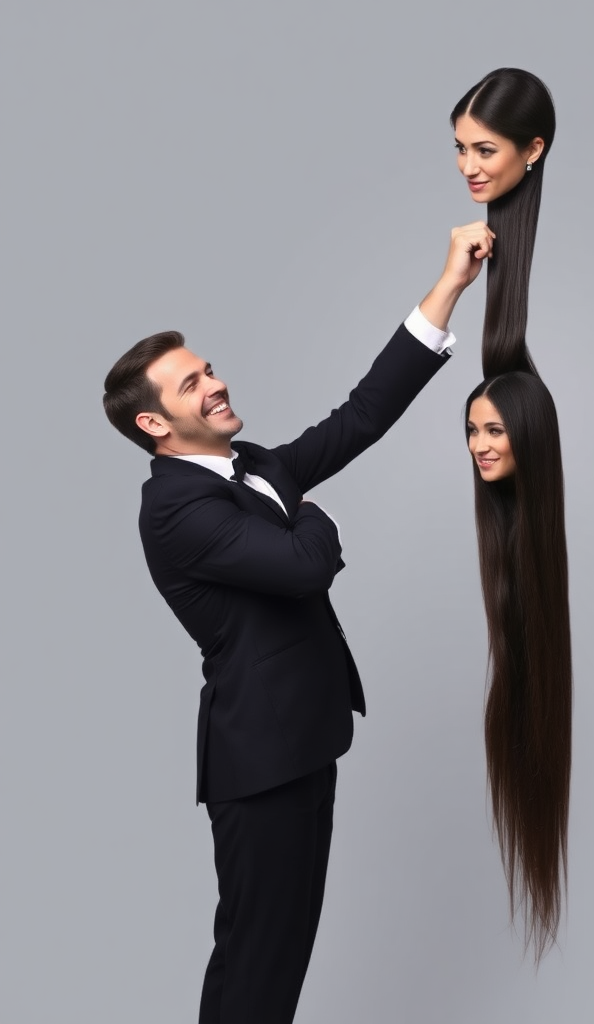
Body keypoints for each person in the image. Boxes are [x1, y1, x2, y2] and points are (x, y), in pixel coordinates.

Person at [102, 222, 494, 1024]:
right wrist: (324, 520)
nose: (214, 383)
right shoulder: (174, 508)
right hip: (260, 765)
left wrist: (449, 284)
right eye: (191, 385)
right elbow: (303, 566)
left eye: (207, 368)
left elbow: (362, 414)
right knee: (257, 957)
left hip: (302, 744)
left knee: (283, 954)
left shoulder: (254, 470)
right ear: (154, 425)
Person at [451, 69, 572, 962]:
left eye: (484, 150)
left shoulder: (522, 365)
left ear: (534, 151)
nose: (466, 165)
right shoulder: (493, 266)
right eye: (458, 148)